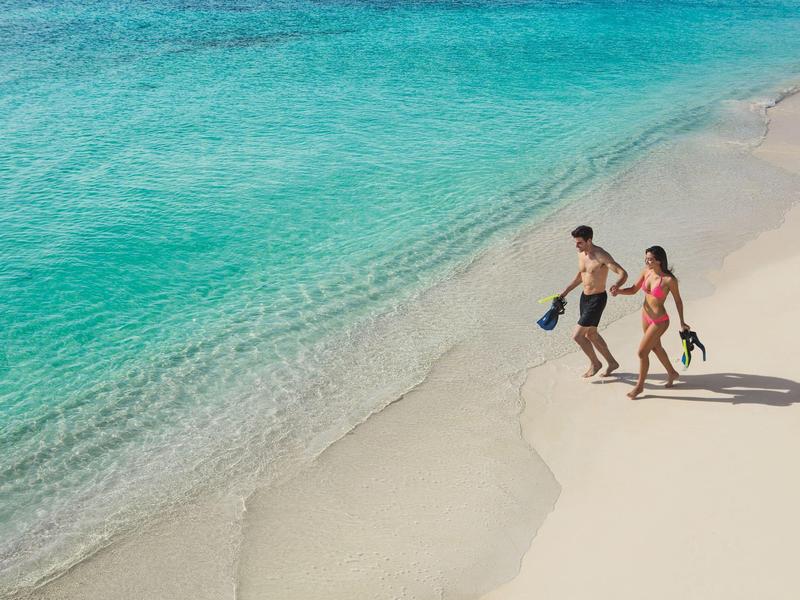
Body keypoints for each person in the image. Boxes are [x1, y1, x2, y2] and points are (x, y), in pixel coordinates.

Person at [612, 245, 688, 399]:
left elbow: (678, 301)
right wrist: (618, 291)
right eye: (646, 258)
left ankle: (639, 387)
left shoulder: (669, 280)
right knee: (655, 347)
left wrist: (682, 322)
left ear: (659, 261)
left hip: (660, 320)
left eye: (650, 259)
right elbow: (633, 289)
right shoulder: (647, 272)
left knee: (642, 352)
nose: (647, 261)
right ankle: (672, 373)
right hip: (645, 316)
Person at [559, 225, 628, 378]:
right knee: (591, 335)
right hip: (584, 298)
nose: (576, 246)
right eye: (575, 242)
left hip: (598, 299)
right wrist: (565, 291)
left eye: (579, 243)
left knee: (577, 336)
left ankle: (595, 363)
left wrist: (617, 285)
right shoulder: (581, 254)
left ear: (589, 240)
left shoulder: (601, 255)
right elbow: (581, 275)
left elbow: (622, 272)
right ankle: (612, 363)